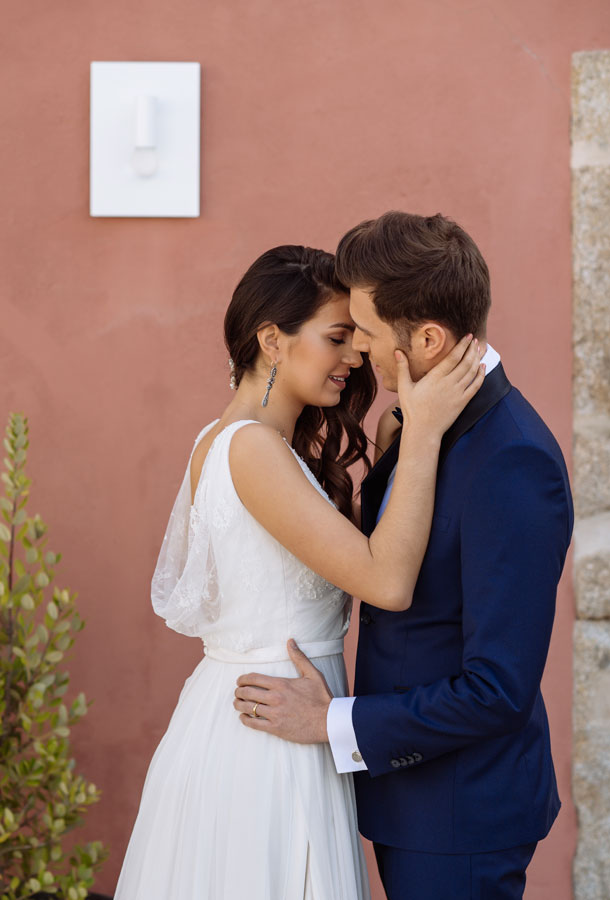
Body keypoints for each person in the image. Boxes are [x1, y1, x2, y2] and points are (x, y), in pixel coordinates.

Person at [114, 242, 484, 900]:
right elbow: (388, 583)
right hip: (266, 742)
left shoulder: (251, 443)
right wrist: (426, 433)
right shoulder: (251, 449)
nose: (353, 357)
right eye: (337, 337)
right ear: (271, 340)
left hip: (285, 719)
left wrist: (390, 453)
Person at [234, 213, 574, 900]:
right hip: (409, 801)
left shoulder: (513, 461)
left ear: (426, 338)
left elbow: (498, 690)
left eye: (366, 329)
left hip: (462, 817)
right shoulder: (420, 423)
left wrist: (329, 722)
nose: (355, 348)